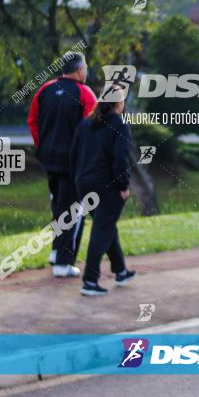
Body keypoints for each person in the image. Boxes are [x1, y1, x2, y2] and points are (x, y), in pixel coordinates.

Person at [27, 52, 97, 277]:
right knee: (74, 211)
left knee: (59, 206)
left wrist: (42, 147)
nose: (86, 71)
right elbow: (93, 130)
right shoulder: (84, 93)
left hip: (49, 161)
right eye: (85, 67)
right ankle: (64, 264)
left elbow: (33, 122)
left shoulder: (44, 90)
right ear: (79, 70)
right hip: (74, 163)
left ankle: (57, 253)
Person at [70, 90, 135, 296]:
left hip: (84, 183)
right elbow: (120, 159)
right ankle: (90, 281)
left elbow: (73, 155)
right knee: (102, 230)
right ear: (118, 104)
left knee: (105, 226)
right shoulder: (119, 125)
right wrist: (124, 186)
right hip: (108, 186)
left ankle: (121, 270)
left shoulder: (85, 124)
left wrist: (78, 180)